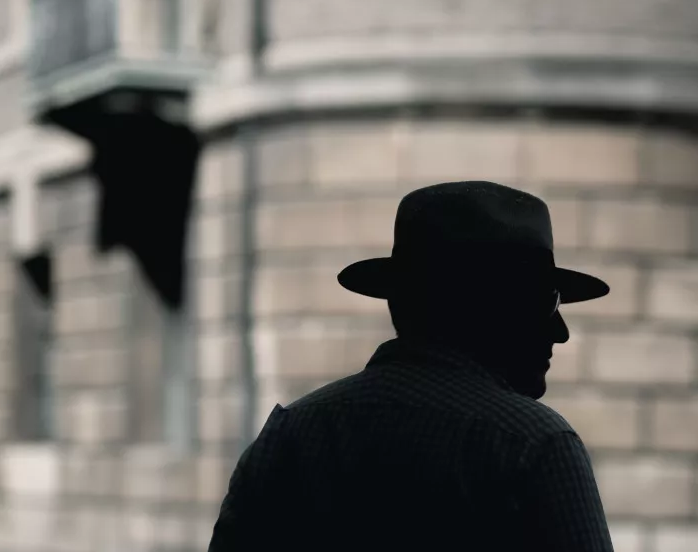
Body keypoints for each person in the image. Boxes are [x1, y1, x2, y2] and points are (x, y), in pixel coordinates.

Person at [208, 181, 615, 551]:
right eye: (547, 303)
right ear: (490, 309)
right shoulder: (535, 445)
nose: (559, 332)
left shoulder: (288, 438)